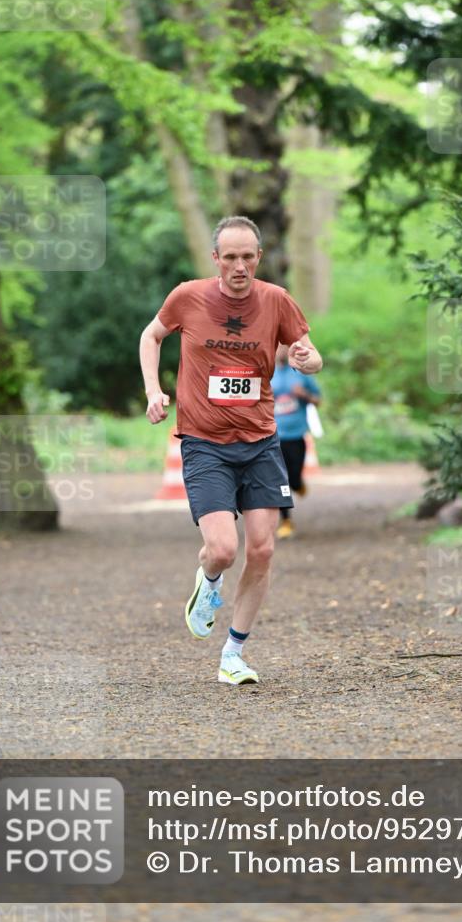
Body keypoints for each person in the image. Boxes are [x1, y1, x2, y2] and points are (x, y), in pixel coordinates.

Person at [139, 215, 322, 686]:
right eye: (231, 257)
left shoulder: (276, 300)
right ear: (216, 258)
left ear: (257, 258)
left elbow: (310, 352)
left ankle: (233, 654)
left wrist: (308, 359)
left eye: (248, 257)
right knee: (222, 549)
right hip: (205, 444)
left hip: (260, 442)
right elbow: (151, 335)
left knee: (262, 549)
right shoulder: (188, 296)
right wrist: (153, 391)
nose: (239, 266)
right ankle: (210, 581)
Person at [271, 344, 322, 540]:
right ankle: (286, 521)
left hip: (297, 435)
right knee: (280, 480)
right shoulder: (267, 374)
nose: (281, 352)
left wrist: (305, 396)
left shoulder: (301, 374)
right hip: (274, 437)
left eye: (284, 348)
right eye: (278, 348)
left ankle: (299, 483)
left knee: (294, 477)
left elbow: (318, 400)